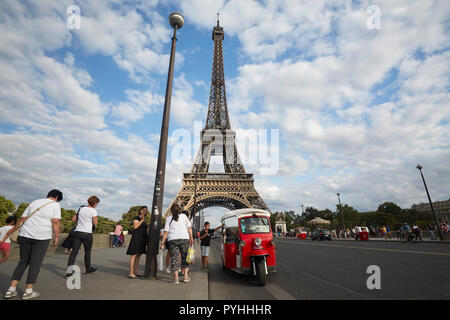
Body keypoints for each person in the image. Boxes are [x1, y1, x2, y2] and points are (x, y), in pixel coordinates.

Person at [2, 189, 62, 300]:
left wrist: (14, 230)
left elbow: (22, 219)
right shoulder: (55, 205)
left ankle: (11, 290)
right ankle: (28, 292)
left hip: (24, 235)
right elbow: (55, 221)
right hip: (41, 237)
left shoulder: (35, 202)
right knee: (35, 263)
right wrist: (57, 236)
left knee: (23, 261)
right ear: (57, 197)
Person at [67, 196, 100, 277]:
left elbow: (74, 219)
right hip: (87, 233)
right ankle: (88, 269)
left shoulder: (81, 209)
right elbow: (96, 223)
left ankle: (69, 272)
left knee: (74, 252)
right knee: (87, 252)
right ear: (94, 203)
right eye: (97, 203)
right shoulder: (93, 211)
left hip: (77, 232)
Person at [161, 204, 193, 285]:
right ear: (179, 209)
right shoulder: (184, 216)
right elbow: (189, 228)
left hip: (172, 239)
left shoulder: (168, 218)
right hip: (184, 238)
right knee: (185, 258)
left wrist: (162, 242)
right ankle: (185, 277)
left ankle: (176, 279)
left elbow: (166, 232)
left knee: (174, 258)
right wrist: (191, 237)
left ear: (171, 210)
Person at [126, 206, 148, 279]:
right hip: (136, 239)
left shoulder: (144, 220)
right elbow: (135, 227)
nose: (145, 211)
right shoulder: (137, 218)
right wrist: (141, 221)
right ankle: (131, 272)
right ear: (140, 210)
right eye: (143, 210)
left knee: (138, 255)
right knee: (134, 255)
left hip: (142, 239)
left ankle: (136, 271)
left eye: (146, 210)